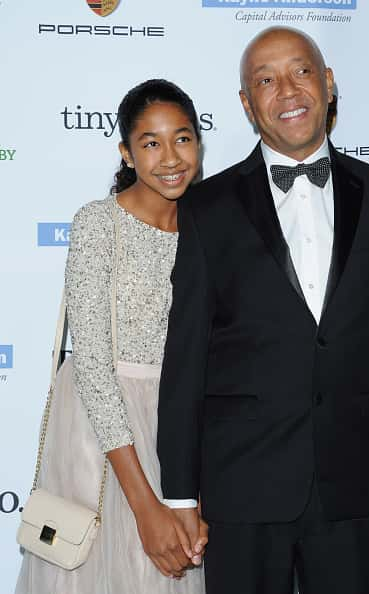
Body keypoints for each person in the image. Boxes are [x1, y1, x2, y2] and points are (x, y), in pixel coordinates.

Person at [157, 28, 369, 594]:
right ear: (246, 104)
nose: (286, 90)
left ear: (329, 84)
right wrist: (180, 494)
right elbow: (184, 358)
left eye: (301, 71)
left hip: (352, 485)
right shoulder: (208, 209)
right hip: (243, 487)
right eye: (264, 79)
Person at [16, 79, 206, 594]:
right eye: (150, 142)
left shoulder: (211, 227)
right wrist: (146, 507)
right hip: (100, 438)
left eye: (182, 138)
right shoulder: (99, 224)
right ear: (126, 151)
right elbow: (94, 365)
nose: (170, 157)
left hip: (179, 429)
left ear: (199, 142)